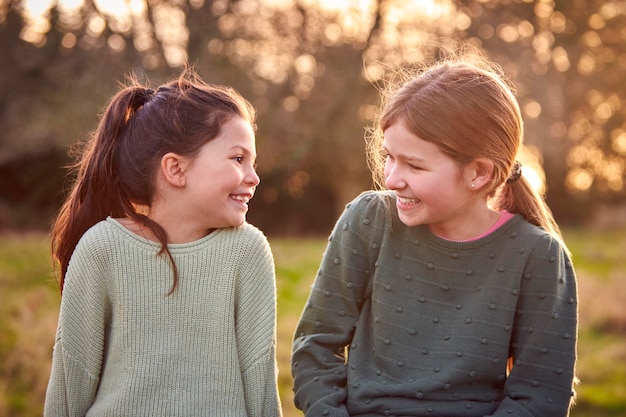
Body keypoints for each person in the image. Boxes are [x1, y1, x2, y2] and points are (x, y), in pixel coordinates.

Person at [291, 53, 578, 417]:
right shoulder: (369, 220)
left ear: (479, 173)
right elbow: (314, 347)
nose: (392, 178)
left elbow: (540, 397)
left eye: (414, 164)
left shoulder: (538, 256)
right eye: (388, 157)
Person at [44, 68, 282, 417]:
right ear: (176, 169)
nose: (254, 177)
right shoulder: (102, 249)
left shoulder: (248, 252)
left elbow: (260, 384)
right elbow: (70, 385)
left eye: (253, 162)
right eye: (237, 159)